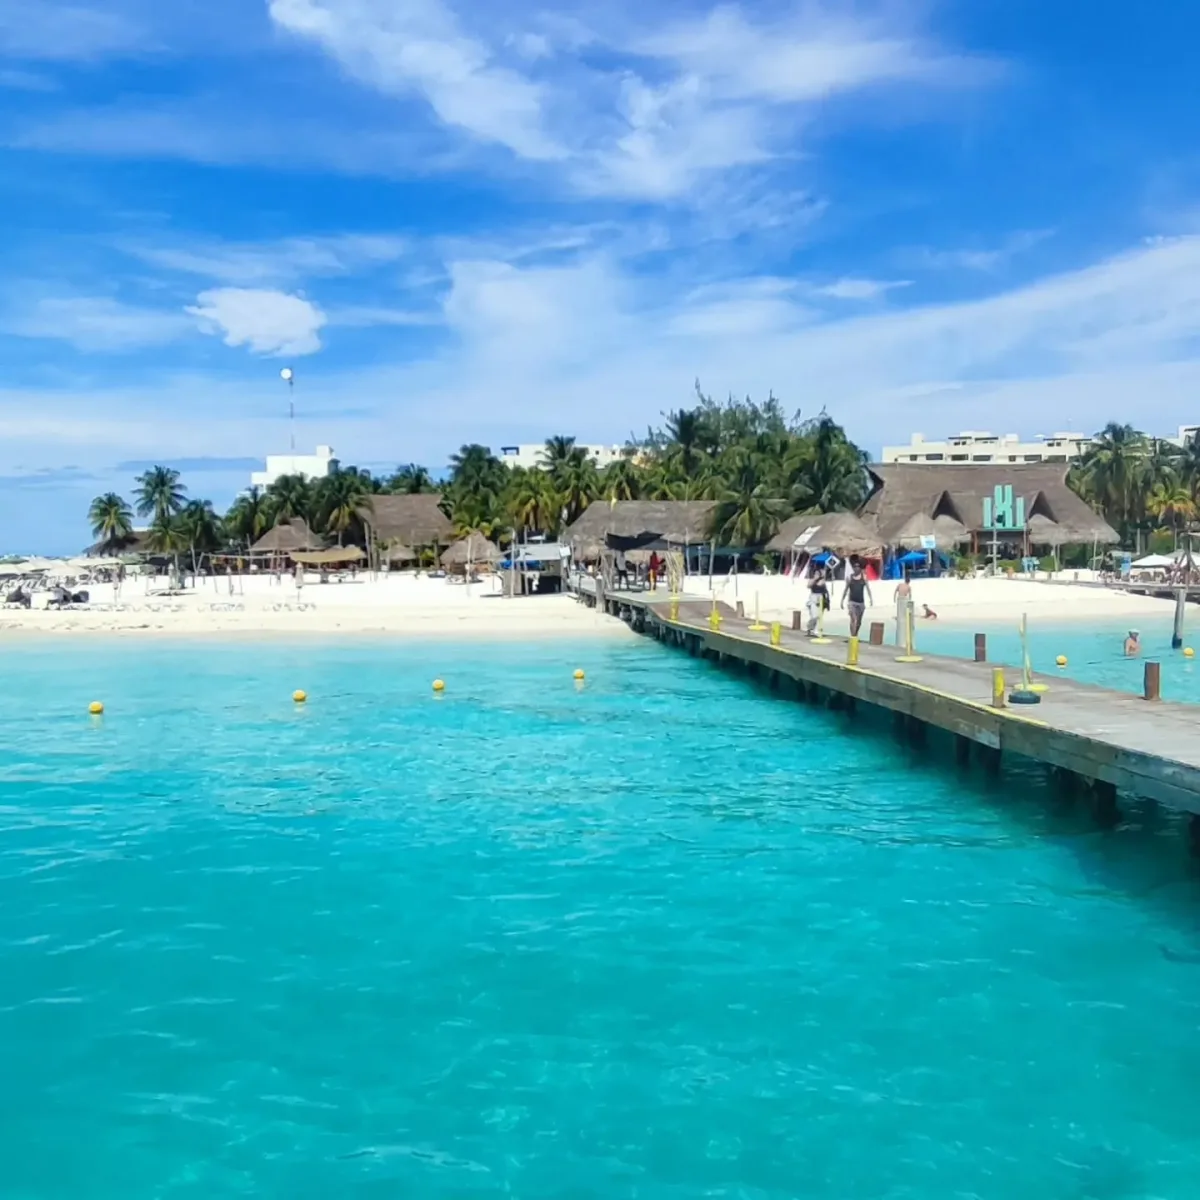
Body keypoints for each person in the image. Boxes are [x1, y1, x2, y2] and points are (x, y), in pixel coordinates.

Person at [841, 561, 873, 637]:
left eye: (858, 567)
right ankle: (852, 636)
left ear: (860, 569)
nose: (856, 568)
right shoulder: (850, 578)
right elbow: (845, 590)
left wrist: (871, 599)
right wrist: (842, 601)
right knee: (853, 619)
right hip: (852, 602)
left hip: (861, 602)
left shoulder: (864, 578)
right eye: (855, 567)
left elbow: (868, 589)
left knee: (858, 622)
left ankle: (855, 635)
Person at [806, 569, 830, 635]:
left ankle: (816, 630)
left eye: (818, 574)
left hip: (821, 598)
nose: (816, 575)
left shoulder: (822, 581)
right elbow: (808, 586)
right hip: (813, 598)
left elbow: (826, 591)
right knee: (814, 615)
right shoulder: (811, 580)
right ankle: (809, 627)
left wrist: (828, 602)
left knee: (819, 615)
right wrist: (815, 579)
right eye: (815, 573)